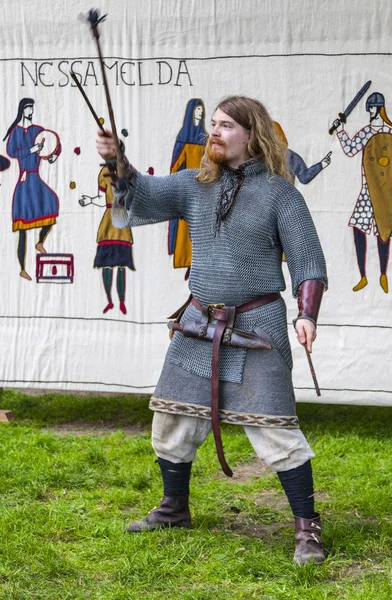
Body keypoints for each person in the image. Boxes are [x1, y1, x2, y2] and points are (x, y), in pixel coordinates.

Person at [96, 95, 328, 565]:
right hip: (199, 323)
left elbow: (308, 263)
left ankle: (307, 528)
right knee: (172, 419)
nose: (214, 132)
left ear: (252, 134)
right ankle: (173, 508)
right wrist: (117, 161)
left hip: (257, 326)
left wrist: (306, 314)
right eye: (213, 125)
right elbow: (139, 194)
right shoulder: (193, 184)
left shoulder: (281, 194)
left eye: (225, 126)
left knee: (276, 431)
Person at [333, 92, 392, 293]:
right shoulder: (365, 132)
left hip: (386, 193)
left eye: (372, 107)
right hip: (367, 190)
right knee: (358, 228)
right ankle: (363, 276)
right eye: (369, 108)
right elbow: (351, 149)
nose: (370, 111)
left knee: (384, 232)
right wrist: (341, 131)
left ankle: (383, 274)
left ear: (379, 108)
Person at [4, 98, 61, 281]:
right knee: (22, 227)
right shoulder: (15, 132)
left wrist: (51, 157)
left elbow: (51, 146)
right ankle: (22, 267)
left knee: (52, 203)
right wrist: (31, 149)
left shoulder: (38, 130)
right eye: (28, 108)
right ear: (22, 109)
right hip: (25, 177)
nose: (31, 110)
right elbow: (12, 152)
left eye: (32, 108)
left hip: (36, 176)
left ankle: (40, 242)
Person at [79, 165, 135, 314]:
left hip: (121, 220)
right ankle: (110, 301)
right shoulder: (104, 172)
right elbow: (100, 198)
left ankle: (121, 301)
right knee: (107, 265)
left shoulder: (128, 171)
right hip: (110, 221)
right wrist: (89, 200)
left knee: (121, 265)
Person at [168, 98, 207, 273]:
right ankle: (186, 260)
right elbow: (176, 166)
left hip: (204, 189)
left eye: (201, 111)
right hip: (187, 191)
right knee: (186, 228)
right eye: (197, 111)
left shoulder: (207, 139)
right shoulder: (183, 139)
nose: (199, 114)